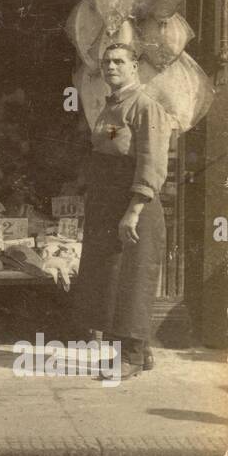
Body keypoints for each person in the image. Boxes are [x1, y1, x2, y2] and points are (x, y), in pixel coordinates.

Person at [71, 42, 171, 380]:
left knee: (133, 277)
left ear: (134, 67)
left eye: (119, 61)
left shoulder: (146, 108)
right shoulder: (112, 106)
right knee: (111, 277)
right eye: (107, 62)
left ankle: (127, 356)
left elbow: (152, 162)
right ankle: (139, 353)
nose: (111, 67)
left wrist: (133, 210)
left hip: (133, 203)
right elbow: (112, 144)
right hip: (107, 201)